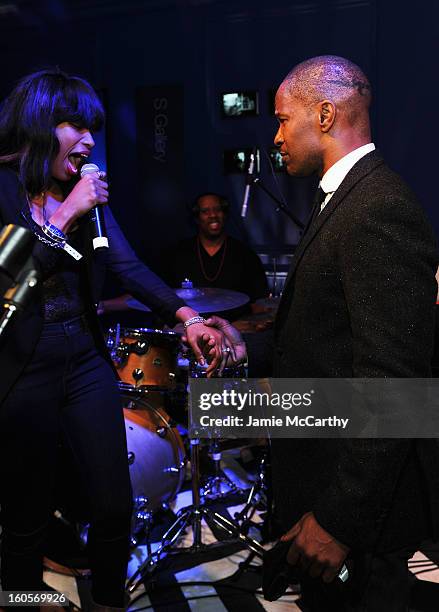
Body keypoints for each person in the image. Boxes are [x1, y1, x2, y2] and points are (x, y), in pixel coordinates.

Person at [207, 55, 439, 611]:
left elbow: (397, 388)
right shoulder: (343, 197)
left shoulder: (377, 207)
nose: (277, 135)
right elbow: (325, 338)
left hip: (359, 513)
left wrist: (339, 519)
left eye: (284, 119)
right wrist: (243, 344)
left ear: (327, 114)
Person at [0, 69, 227, 611]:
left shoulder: (85, 194)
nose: (87, 140)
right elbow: (12, 273)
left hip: (83, 358)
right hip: (20, 365)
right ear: (38, 125)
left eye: (92, 129)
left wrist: (187, 313)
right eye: (74, 125)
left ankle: (108, 601)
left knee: (112, 501)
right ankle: (23, 598)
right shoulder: (6, 188)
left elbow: (125, 264)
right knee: (26, 512)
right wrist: (68, 211)